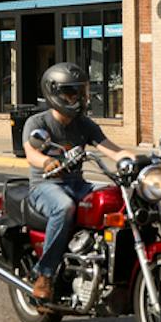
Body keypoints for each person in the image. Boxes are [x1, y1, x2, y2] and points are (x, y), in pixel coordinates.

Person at [21, 62, 135, 303]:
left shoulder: (84, 124)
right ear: (54, 93)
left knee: (117, 198)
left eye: (81, 93)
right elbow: (31, 153)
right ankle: (45, 274)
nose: (79, 99)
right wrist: (46, 162)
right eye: (71, 93)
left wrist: (140, 160)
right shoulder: (37, 123)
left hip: (77, 184)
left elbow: (110, 149)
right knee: (64, 208)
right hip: (45, 186)